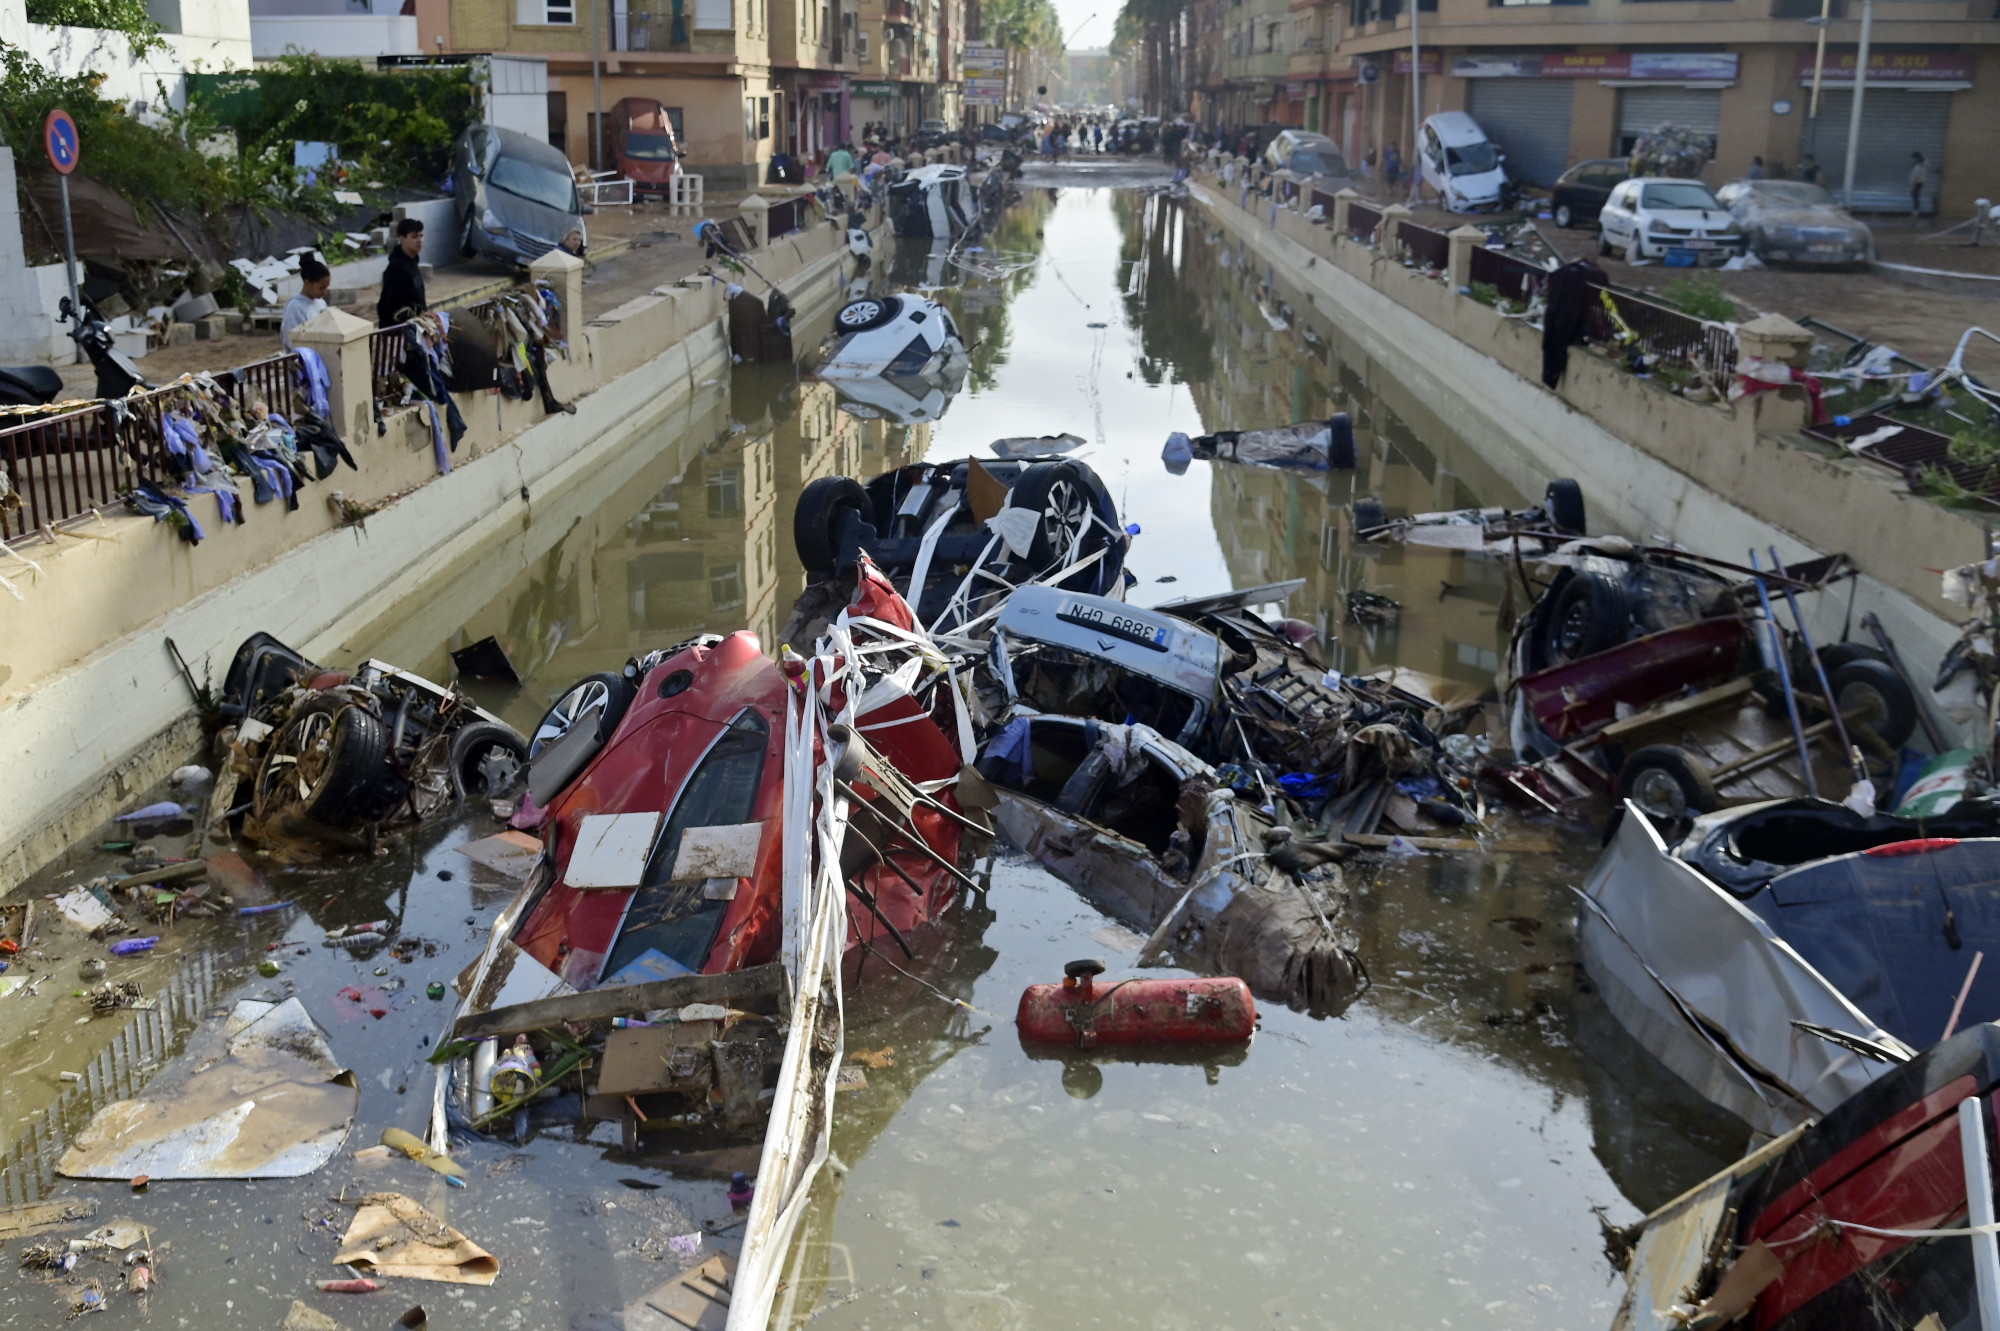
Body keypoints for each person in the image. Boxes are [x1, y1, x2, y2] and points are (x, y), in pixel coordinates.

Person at [377, 218, 427, 328]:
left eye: (421, 236)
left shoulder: (412, 262)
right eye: (414, 237)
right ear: (402, 239)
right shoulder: (396, 268)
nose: (419, 240)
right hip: (400, 330)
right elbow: (388, 303)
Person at [281, 256, 330, 350]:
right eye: (321, 288)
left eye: (326, 288)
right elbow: (293, 340)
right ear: (307, 283)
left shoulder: (321, 303)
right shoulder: (295, 307)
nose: (324, 292)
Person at [1909, 151, 1927, 216]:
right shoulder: (1923, 164)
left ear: (1917, 158)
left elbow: (1915, 177)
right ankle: (1916, 210)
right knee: (1916, 196)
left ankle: (1916, 211)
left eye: (1914, 158)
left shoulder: (1918, 167)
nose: (1913, 159)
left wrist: (1912, 185)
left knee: (1915, 196)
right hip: (1920, 182)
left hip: (1916, 183)